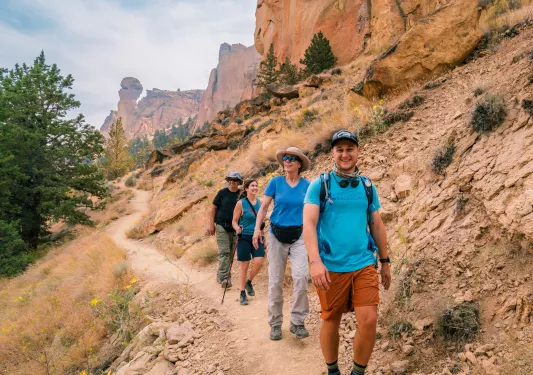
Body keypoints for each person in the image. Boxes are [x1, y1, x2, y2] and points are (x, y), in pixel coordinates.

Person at [303, 130, 392, 375]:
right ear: (333, 152)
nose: (345, 154)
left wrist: (385, 262)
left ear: (357, 151)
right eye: (339, 149)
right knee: (331, 320)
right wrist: (315, 261)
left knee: (369, 320)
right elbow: (309, 224)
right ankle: (332, 370)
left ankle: (357, 372)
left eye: (349, 149)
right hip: (330, 266)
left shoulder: (367, 186)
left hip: (364, 263)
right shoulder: (319, 185)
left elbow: (376, 224)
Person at [252, 147, 311, 341]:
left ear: (299, 163)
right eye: (285, 158)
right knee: (276, 281)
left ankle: (297, 322)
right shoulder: (275, 182)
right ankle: (275, 324)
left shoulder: (307, 186)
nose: (287, 161)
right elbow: (263, 207)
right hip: (276, 236)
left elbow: (313, 212)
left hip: (299, 236)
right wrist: (256, 230)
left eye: (292, 158)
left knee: (301, 276)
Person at [232, 178, 265, 306]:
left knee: (259, 261)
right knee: (244, 265)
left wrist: (263, 234)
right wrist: (237, 228)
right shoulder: (241, 203)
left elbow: (262, 222)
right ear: (246, 189)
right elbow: (234, 220)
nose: (255, 187)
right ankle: (242, 293)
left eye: (256, 185)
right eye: (252, 185)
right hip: (244, 237)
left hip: (257, 237)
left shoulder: (261, 202)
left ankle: (249, 282)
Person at [210, 171, 243, 288]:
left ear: (239, 182)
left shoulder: (241, 194)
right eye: (230, 179)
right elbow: (213, 208)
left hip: (235, 228)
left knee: (230, 254)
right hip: (221, 225)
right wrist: (211, 225)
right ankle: (225, 278)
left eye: (235, 180)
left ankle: (221, 275)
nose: (232, 182)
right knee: (225, 252)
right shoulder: (222, 193)